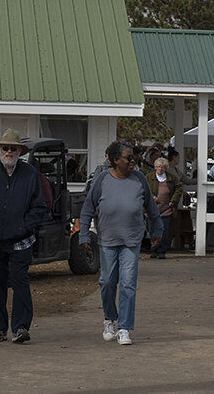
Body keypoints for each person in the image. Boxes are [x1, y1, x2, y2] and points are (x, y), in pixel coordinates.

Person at [77, 141, 162, 347]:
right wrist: (84, 235)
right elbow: (88, 208)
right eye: (128, 157)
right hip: (107, 240)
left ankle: (124, 327)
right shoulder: (102, 180)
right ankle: (110, 319)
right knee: (107, 282)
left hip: (131, 240)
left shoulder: (139, 179)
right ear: (115, 160)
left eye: (133, 157)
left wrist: (157, 230)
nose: (133, 160)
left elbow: (151, 208)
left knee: (127, 284)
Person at [0, 129, 49, 344]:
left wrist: (24, 226)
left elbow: (39, 207)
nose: (9, 151)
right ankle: (0, 328)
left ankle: (21, 327)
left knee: (20, 281)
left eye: (13, 148)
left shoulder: (30, 174)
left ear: (20, 151)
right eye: (5, 148)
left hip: (21, 240)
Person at [147, 157, 180, 257]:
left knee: (164, 231)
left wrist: (173, 200)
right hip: (152, 209)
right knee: (152, 230)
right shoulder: (149, 177)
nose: (159, 169)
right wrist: (152, 197)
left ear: (165, 168)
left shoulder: (171, 178)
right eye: (157, 167)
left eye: (162, 167)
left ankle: (162, 251)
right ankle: (154, 250)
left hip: (166, 209)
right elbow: (143, 189)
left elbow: (179, 188)